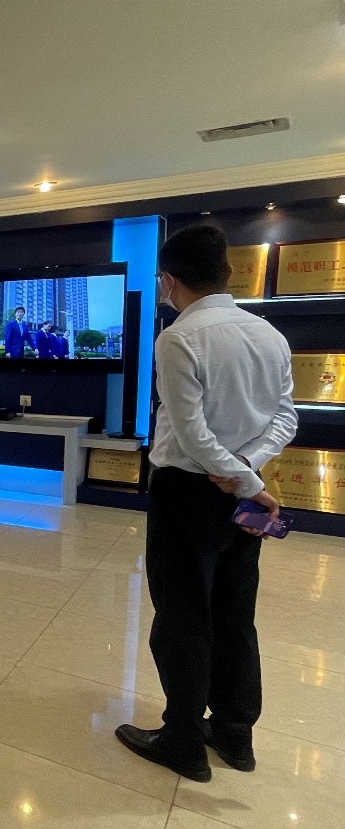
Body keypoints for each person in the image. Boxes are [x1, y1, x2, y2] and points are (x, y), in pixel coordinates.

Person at [115, 224, 297, 783]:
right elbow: (286, 417)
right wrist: (248, 471)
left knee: (183, 614)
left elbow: (192, 435)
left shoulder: (178, 338)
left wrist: (239, 478)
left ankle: (183, 739)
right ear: (229, 273)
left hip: (189, 493)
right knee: (236, 613)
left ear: (167, 281)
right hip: (244, 494)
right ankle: (235, 735)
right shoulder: (269, 334)